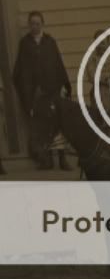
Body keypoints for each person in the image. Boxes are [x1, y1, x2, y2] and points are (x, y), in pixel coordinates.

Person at [13, 11, 72, 170]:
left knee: (57, 124)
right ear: (28, 25)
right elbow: (21, 71)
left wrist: (64, 86)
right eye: (32, 23)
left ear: (42, 24)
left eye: (38, 23)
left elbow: (57, 64)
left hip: (52, 90)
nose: (35, 26)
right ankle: (46, 160)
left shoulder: (49, 42)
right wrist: (27, 95)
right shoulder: (25, 44)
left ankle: (62, 159)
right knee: (42, 126)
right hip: (36, 94)